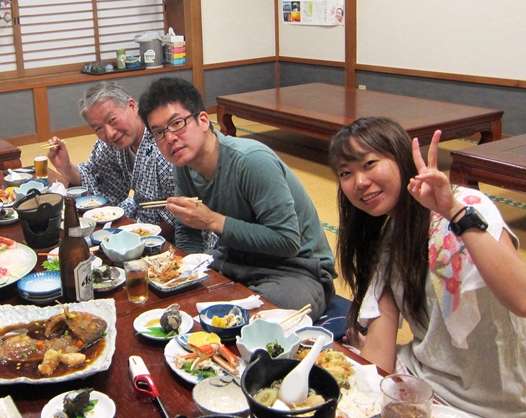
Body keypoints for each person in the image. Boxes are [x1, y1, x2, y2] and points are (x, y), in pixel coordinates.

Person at [328, 117, 526, 416]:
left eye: (369, 164)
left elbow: (521, 299)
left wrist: (452, 212)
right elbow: (380, 350)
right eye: (346, 173)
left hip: (503, 397)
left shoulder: (467, 206)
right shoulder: (387, 243)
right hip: (425, 386)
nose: (359, 182)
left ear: (401, 157)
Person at [138, 77, 336, 317]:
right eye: (158, 133)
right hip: (237, 258)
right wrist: (188, 275)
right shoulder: (184, 165)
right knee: (170, 293)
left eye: (177, 123)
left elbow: (287, 241)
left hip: (297, 269)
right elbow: (188, 232)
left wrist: (213, 221)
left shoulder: (251, 161)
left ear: (202, 120)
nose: (169, 138)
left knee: (253, 320)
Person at [47, 81, 215, 246]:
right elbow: (95, 178)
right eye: (98, 128)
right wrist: (66, 167)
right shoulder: (110, 145)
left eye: (112, 120)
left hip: (175, 239)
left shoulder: (164, 144)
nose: (109, 133)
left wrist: (133, 240)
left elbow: (177, 219)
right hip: (135, 226)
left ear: (133, 107)